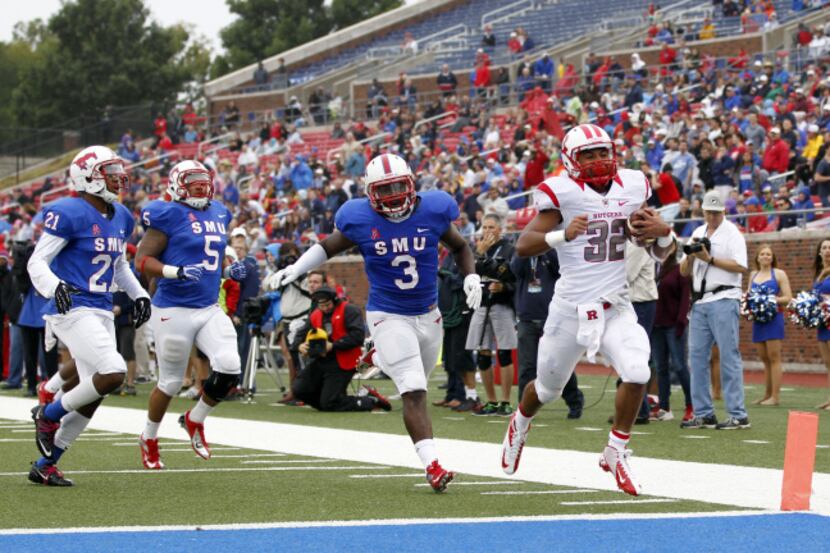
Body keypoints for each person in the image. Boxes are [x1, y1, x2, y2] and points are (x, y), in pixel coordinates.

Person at [267, 153, 482, 493]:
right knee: (413, 391)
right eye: (385, 189)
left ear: (412, 183)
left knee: (418, 386)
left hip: (429, 313)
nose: (394, 195)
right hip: (388, 313)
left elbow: (459, 246)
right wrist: (297, 269)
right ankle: (433, 466)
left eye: (399, 186)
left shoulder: (433, 208)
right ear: (369, 192)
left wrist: (471, 277)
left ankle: (379, 357)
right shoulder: (359, 218)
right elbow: (327, 247)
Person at [498, 124, 676, 497]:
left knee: (638, 370)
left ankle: (616, 449)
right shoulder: (562, 193)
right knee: (546, 389)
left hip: (616, 305)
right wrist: (563, 234)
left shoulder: (631, 186)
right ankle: (520, 421)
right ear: (570, 160)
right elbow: (524, 245)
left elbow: (658, 252)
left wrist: (663, 232)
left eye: (602, 152)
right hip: (569, 310)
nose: (597, 161)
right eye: (588, 155)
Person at [27, 145, 152, 486]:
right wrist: (55, 288)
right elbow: (37, 261)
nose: (117, 179)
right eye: (109, 173)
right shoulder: (69, 211)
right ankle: (49, 414)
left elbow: (119, 266)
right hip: (72, 306)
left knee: (94, 392)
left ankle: (45, 465)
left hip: (100, 308)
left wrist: (139, 293)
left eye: (117, 172)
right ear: (88, 177)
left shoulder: (122, 215)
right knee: (112, 372)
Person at [135, 159, 247, 470]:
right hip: (172, 308)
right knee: (170, 382)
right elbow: (142, 261)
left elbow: (209, 257)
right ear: (176, 183)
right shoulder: (166, 213)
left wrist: (229, 270)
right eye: (192, 180)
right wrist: (175, 271)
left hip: (208, 306)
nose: (199, 185)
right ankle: (149, 436)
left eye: (202, 179)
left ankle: (194, 419)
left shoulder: (219, 211)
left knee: (229, 366)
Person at [680, 190, 750, 430]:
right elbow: (683, 272)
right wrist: (691, 257)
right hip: (699, 301)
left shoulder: (733, 234)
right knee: (697, 358)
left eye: (715, 212)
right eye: (707, 212)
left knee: (729, 356)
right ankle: (704, 412)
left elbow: (741, 266)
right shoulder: (698, 232)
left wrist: (709, 259)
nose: (711, 217)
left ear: (723, 212)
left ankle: (738, 414)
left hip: (724, 296)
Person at [290, 286, 390, 412]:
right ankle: (329, 403)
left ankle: (370, 401)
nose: (325, 308)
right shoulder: (315, 315)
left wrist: (333, 345)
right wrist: (300, 345)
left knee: (329, 403)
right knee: (299, 390)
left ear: (335, 300)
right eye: (321, 306)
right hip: (321, 360)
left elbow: (358, 336)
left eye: (328, 304)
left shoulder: (350, 310)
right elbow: (301, 334)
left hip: (343, 362)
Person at [510, 250, 584, 419]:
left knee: (558, 364)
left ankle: (575, 400)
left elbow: (561, 270)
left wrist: (547, 248)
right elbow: (515, 270)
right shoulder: (522, 254)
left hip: (551, 317)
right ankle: (524, 409)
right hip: (527, 317)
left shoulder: (553, 253)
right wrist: (526, 251)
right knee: (527, 367)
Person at [465, 214, 517, 416]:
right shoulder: (476, 249)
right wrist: (479, 254)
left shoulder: (509, 249)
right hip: (481, 304)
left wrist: (503, 285)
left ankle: (505, 401)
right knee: (483, 353)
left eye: (491, 227)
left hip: (501, 305)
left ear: (499, 229)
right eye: (484, 227)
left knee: (504, 352)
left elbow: (513, 276)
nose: (487, 231)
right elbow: (469, 273)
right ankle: (491, 401)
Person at [651, 243, 693, 422]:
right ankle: (665, 407)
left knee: (680, 365)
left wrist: (681, 322)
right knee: (660, 367)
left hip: (673, 325)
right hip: (656, 325)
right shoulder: (653, 267)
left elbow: (685, 299)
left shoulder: (679, 270)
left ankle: (691, 405)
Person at [747, 244, 792, 406]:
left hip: (774, 318)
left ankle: (775, 397)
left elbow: (788, 298)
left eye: (769, 254)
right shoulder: (753, 275)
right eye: (763, 254)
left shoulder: (779, 274)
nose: (766, 257)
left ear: (772, 258)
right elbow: (749, 297)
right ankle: (766, 395)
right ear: (757, 257)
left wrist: (769, 299)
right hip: (758, 320)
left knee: (774, 358)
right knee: (764, 359)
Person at [813, 239, 830, 410]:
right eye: (824, 247)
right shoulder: (819, 272)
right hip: (822, 322)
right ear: (819, 252)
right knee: (827, 362)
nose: (827, 250)